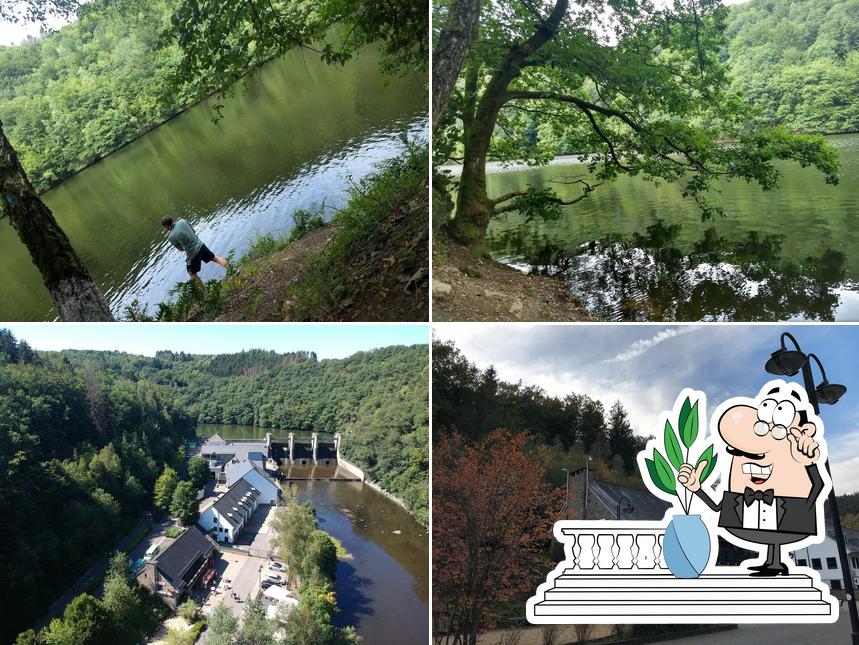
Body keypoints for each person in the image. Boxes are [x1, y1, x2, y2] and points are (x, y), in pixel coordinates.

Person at [678, 382, 825, 577]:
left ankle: (774, 562)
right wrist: (696, 487)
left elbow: (819, 483)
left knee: (777, 532)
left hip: (789, 510)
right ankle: (772, 562)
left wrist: (805, 502)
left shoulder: (798, 455)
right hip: (753, 510)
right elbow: (716, 508)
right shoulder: (739, 494)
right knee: (771, 533)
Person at [161, 216, 228, 287]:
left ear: (166, 226)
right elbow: (193, 231)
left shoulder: (171, 236)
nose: (164, 228)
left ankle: (205, 292)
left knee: (192, 273)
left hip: (192, 254)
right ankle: (233, 270)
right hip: (201, 245)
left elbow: (180, 249)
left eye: (164, 227)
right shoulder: (182, 221)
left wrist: (185, 246)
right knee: (215, 258)